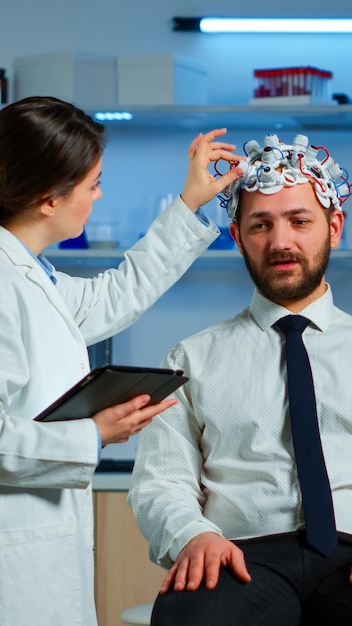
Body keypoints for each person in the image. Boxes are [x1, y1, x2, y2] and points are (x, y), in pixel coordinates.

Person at [0, 96, 245, 626]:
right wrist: (93, 434)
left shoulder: (29, 275)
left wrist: (189, 203)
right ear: (49, 198)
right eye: (92, 185)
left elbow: (115, 295)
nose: (99, 195)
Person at [128, 132, 352, 625]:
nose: (281, 242)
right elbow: (160, 482)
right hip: (240, 556)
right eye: (260, 225)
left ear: (334, 227)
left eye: (299, 221)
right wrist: (194, 535)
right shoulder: (190, 358)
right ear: (237, 237)